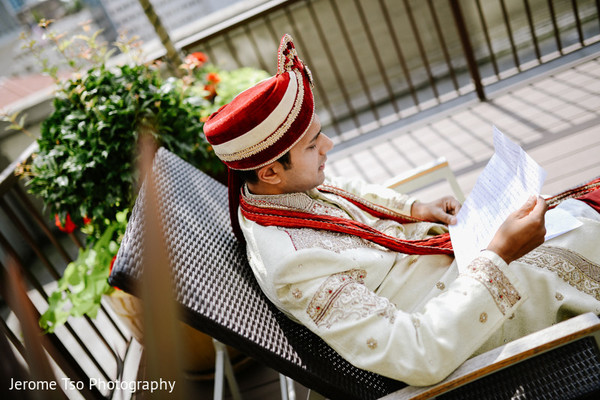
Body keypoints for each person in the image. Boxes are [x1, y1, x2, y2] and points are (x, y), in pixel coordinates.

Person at [204, 34, 600, 386]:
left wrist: (415, 207)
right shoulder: (294, 266)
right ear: (271, 170)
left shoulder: (272, 192)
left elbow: (350, 191)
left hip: (453, 262)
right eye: (312, 145)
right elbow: (419, 356)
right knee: (578, 233)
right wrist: (498, 255)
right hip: (465, 316)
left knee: (568, 216)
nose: (328, 144)